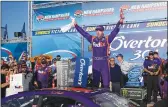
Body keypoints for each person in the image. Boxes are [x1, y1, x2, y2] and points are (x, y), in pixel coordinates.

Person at [72, 9, 125, 89]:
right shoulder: (92, 39)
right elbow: (83, 33)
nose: (98, 32)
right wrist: (76, 25)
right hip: (95, 63)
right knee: (95, 83)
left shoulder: (107, 39)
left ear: (103, 31)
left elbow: (115, 31)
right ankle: (95, 99)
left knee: (106, 83)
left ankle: (106, 98)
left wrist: (120, 21)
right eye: (97, 30)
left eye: (100, 30)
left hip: (104, 63)